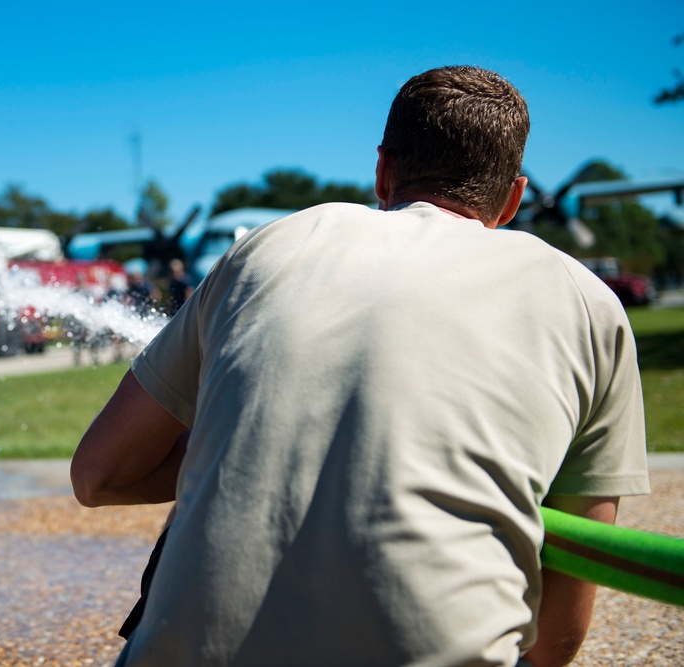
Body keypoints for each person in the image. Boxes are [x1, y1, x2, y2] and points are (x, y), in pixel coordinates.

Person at [71, 66, 650, 667]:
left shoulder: (268, 246)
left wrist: (247, 437)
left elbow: (96, 475)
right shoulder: (589, 305)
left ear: (382, 170)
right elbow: (558, 637)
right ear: (512, 199)